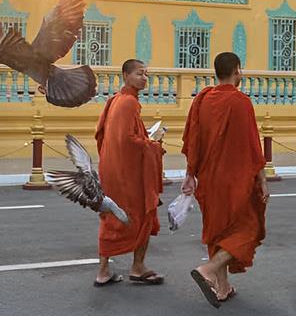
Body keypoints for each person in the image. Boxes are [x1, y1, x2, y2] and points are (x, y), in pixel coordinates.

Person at [182, 51, 267, 308]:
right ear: (237, 70)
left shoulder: (202, 100)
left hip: (208, 178)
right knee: (248, 229)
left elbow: (192, 140)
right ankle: (209, 269)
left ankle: (222, 287)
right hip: (235, 180)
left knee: (217, 231)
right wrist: (262, 179)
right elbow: (253, 146)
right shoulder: (240, 102)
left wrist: (189, 173)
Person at [93, 59, 164, 287]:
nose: (143, 78)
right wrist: (153, 144)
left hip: (112, 168)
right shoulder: (128, 103)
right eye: (138, 74)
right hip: (126, 172)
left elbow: (101, 134)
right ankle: (137, 266)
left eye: (145, 74)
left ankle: (104, 271)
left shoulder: (115, 100)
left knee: (111, 215)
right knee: (143, 213)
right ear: (125, 75)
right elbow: (128, 139)